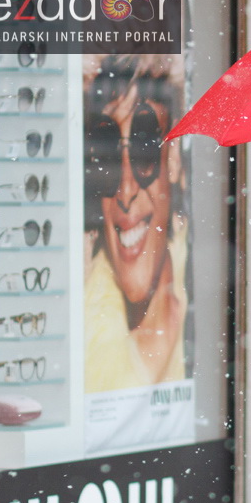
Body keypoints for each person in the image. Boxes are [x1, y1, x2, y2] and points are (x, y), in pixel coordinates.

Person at [83, 54, 190, 392]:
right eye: (107, 158)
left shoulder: (205, 284)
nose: (126, 189)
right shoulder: (81, 339)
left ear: (172, 160)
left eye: (145, 150)